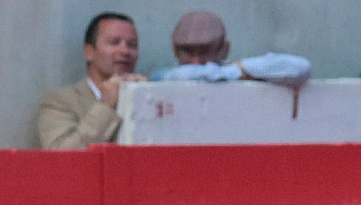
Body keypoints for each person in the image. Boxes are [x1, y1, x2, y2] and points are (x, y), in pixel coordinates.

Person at [36, 12, 143, 150]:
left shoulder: (142, 95)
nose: (125, 51)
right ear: (89, 52)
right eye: (114, 42)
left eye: (132, 45)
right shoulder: (60, 101)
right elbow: (61, 154)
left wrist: (145, 100)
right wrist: (106, 106)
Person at [149, 10, 312, 89]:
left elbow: (300, 68)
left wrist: (236, 71)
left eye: (206, 52)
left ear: (225, 50)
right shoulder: (163, 77)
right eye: (187, 52)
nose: (196, 62)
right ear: (175, 51)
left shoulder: (236, 72)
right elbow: (182, 75)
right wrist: (233, 73)